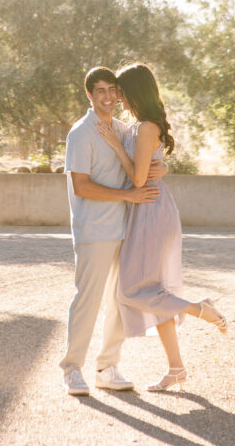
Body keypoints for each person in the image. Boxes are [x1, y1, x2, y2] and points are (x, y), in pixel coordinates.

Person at [97, 62, 228, 392]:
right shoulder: (143, 125)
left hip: (150, 210)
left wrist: (115, 145)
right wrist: (160, 165)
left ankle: (200, 309)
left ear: (135, 92)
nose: (119, 99)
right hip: (150, 208)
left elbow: (138, 178)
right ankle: (176, 368)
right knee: (156, 291)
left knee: (131, 290)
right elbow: (152, 165)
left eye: (122, 93)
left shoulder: (144, 128)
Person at [60, 66, 167, 396]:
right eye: (100, 90)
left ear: (120, 95)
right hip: (94, 229)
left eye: (113, 90)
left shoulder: (123, 130)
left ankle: (107, 366)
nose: (108, 96)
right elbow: (81, 186)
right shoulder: (80, 133)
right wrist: (128, 195)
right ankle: (71, 369)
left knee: (122, 299)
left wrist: (161, 166)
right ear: (89, 95)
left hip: (129, 226)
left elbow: (147, 163)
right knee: (88, 300)